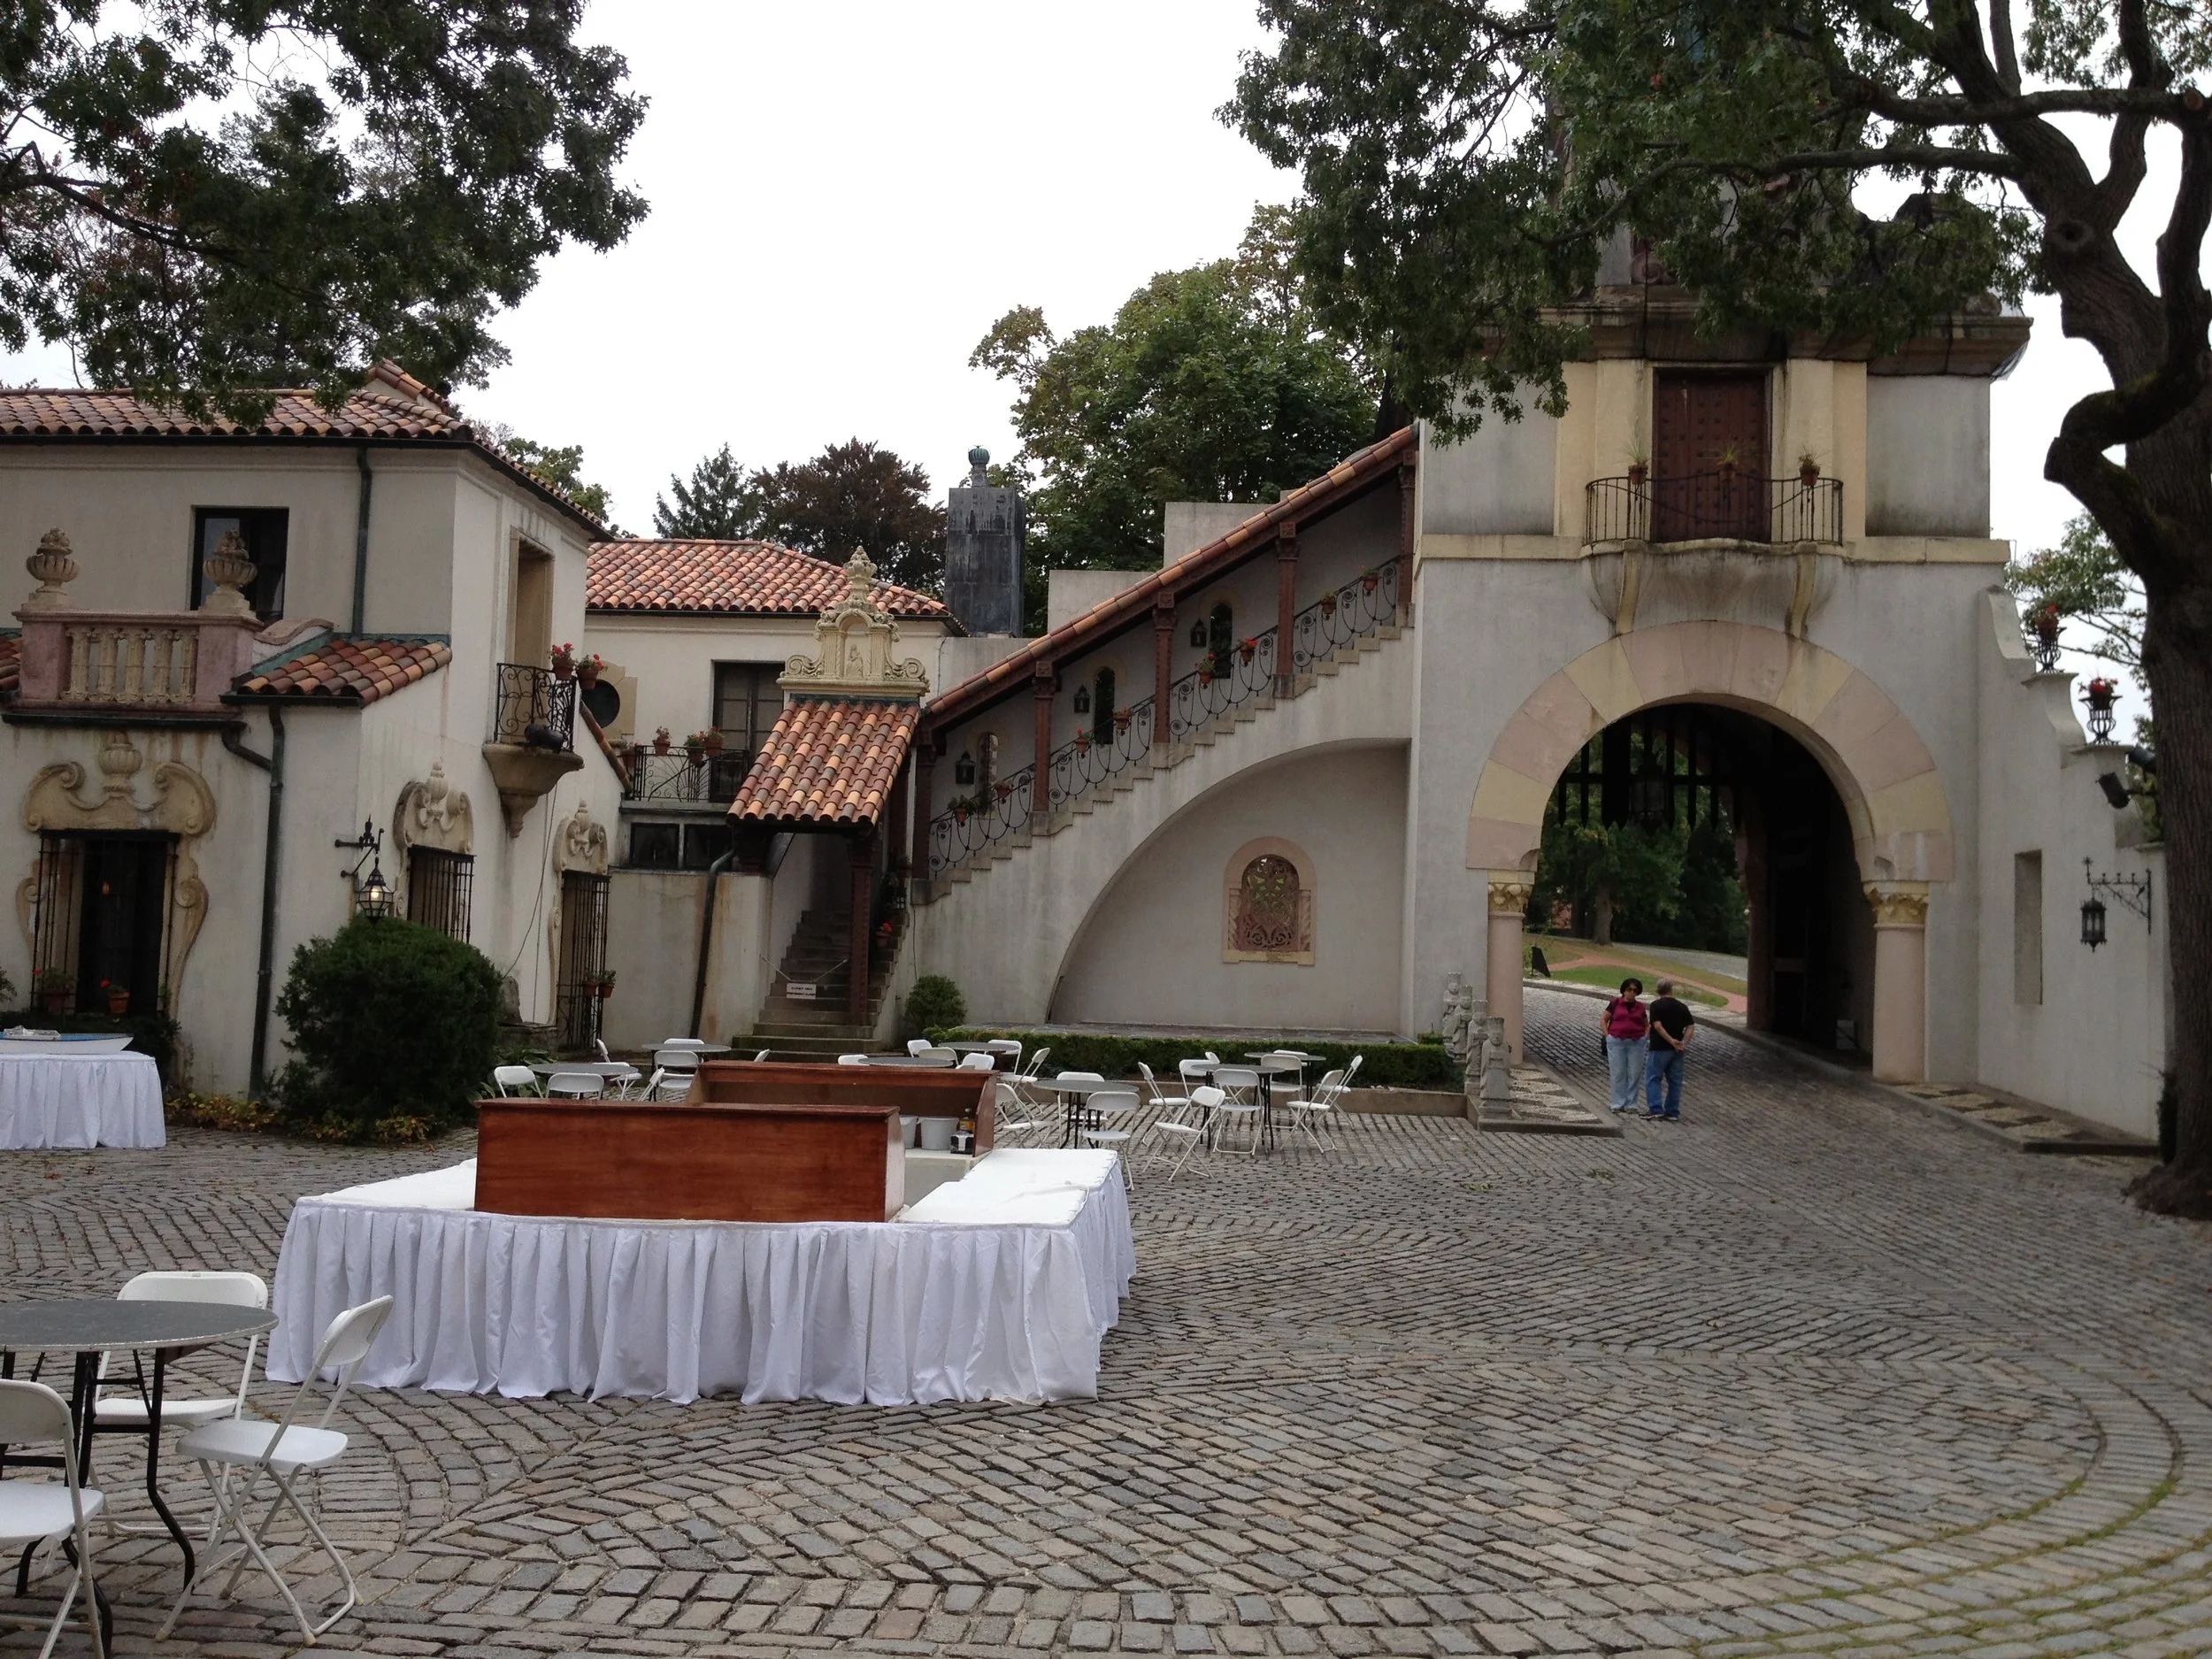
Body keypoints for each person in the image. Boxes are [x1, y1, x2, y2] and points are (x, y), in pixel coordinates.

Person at [1645, 979, 1695, 1120]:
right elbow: (1690, 1026)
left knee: (1653, 1078)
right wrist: (1683, 1042)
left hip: (1660, 1047)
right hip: (1678, 1050)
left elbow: (1657, 1025)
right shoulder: (1682, 1006)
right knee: (1675, 1081)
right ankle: (1672, 1111)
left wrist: (1670, 1040)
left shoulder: (1656, 1005)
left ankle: (1656, 1109)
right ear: (1671, 989)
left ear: (1658, 990)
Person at [1600, 977, 1648, 1113]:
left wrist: (1645, 1037)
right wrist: (1607, 1035)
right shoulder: (1615, 1003)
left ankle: (1631, 1104)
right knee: (1618, 1072)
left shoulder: (1640, 1007)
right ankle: (1617, 1102)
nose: (1632, 993)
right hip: (1617, 1041)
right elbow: (1604, 1019)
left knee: (1634, 1073)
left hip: (1636, 1042)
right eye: (1629, 990)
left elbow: (1646, 1024)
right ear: (1624, 990)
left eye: (1635, 990)